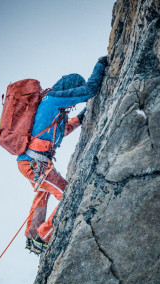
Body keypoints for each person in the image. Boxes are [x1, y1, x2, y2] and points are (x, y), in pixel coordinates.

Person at [17, 56, 108, 255]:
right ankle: (43, 235)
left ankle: (32, 235)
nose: (70, 104)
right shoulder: (54, 100)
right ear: (68, 91)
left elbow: (62, 130)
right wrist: (100, 65)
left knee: (44, 191)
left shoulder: (50, 105)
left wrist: (81, 117)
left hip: (31, 163)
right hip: (36, 164)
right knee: (68, 195)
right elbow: (90, 90)